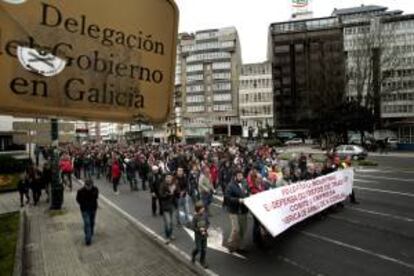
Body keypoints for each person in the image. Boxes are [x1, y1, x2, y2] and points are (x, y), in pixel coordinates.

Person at [224, 170, 250, 253]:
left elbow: (247, 192)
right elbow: (227, 198)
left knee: (243, 229)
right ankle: (230, 245)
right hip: (234, 211)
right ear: (235, 176)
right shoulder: (230, 186)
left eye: (241, 176)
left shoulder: (245, 183)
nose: (241, 177)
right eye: (239, 176)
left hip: (243, 210)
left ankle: (239, 246)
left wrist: (249, 195)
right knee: (236, 229)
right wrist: (238, 200)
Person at [76, 179, 99, 246]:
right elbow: (77, 199)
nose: (88, 187)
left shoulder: (95, 190)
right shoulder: (80, 191)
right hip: (85, 209)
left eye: (90, 185)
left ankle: (90, 232)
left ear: (92, 185)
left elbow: (96, 197)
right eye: (87, 185)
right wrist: (82, 204)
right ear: (85, 185)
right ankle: (88, 239)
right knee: (87, 223)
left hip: (93, 208)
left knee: (92, 222)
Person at [191, 201, 209, 268]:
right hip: (198, 236)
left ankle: (202, 261)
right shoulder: (195, 217)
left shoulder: (205, 215)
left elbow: (208, 223)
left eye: (203, 208)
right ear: (198, 210)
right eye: (202, 208)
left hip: (204, 235)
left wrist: (205, 229)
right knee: (198, 248)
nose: (203, 209)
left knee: (204, 249)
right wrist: (199, 230)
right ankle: (193, 254)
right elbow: (192, 227)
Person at [160, 174, 177, 243]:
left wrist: (176, 190)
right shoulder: (163, 185)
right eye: (168, 178)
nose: (169, 179)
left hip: (172, 206)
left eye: (170, 178)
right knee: (168, 223)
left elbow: (176, 194)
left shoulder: (173, 185)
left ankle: (171, 234)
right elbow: (161, 195)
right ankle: (167, 237)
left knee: (172, 222)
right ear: (166, 178)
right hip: (165, 207)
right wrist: (169, 193)